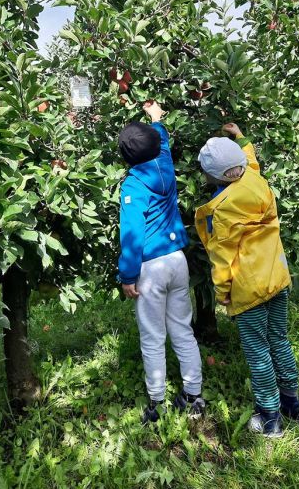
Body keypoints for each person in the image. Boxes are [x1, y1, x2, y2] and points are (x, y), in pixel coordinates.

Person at [195, 123, 299, 438]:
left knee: (258, 352)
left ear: (213, 177)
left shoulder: (224, 209)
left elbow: (222, 258)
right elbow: (249, 156)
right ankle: (292, 403)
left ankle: (270, 419)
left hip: (249, 289)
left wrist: (223, 292)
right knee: (279, 340)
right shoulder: (255, 178)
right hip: (277, 277)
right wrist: (240, 136)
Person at [117, 100, 205, 424]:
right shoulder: (164, 164)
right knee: (182, 328)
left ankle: (156, 404)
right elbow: (162, 139)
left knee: (152, 335)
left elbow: (131, 236)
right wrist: (155, 118)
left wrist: (127, 276)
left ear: (126, 159)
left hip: (151, 268)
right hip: (177, 260)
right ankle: (194, 396)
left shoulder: (133, 185)